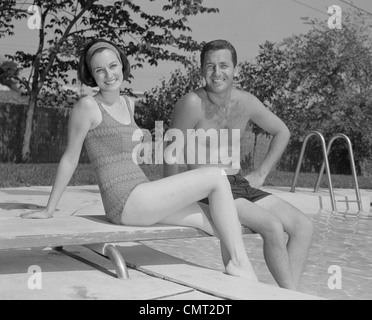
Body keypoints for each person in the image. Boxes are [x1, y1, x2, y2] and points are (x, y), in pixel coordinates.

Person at [21, 38, 258, 281]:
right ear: (91, 75)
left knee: (216, 221)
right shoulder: (88, 106)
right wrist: (50, 209)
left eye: (113, 66)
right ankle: (241, 267)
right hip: (124, 202)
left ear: (122, 67)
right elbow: (70, 158)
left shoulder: (128, 103)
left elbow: (130, 153)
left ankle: (238, 274)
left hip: (143, 194)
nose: (109, 74)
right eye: (99, 70)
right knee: (216, 175)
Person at [164, 39, 314, 291]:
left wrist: (262, 173)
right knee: (273, 227)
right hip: (209, 188)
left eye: (224, 65)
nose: (217, 72)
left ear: (235, 68)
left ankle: (290, 293)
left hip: (239, 184)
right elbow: (171, 149)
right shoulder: (192, 103)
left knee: (304, 227)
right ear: (201, 70)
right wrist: (172, 197)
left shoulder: (246, 102)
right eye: (210, 66)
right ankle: (291, 297)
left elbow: (282, 131)